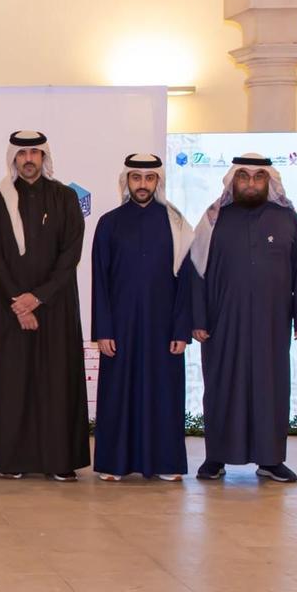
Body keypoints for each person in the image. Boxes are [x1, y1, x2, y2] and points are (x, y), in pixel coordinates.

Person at [190, 154, 297, 483]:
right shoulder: (213, 219)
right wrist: (198, 318)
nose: (251, 183)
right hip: (222, 323)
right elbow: (196, 272)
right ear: (233, 180)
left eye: (258, 177)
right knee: (221, 386)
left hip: (272, 323)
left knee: (271, 388)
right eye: (244, 177)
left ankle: (271, 459)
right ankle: (216, 457)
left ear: (269, 181)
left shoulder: (288, 220)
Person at [0, 131, 90, 481]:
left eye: (35, 153)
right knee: (15, 384)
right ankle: (14, 460)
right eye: (22, 153)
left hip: (56, 307)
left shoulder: (65, 198)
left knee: (57, 382)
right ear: (13, 158)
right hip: (11, 308)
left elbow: (70, 254)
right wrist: (20, 303)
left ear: (44, 157)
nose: (29, 159)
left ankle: (59, 461)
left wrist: (38, 297)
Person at [91, 154, 194, 481]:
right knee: (118, 393)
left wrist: (182, 328)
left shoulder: (177, 223)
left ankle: (166, 463)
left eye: (149, 179)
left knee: (163, 394)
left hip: (163, 327)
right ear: (127, 181)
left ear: (157, 182)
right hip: (120, 326)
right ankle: (114, 464)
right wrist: (103, 329)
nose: (143, 185)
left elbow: (186, 282)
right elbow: (99, 281)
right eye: (136, 178)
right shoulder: (109, 223)